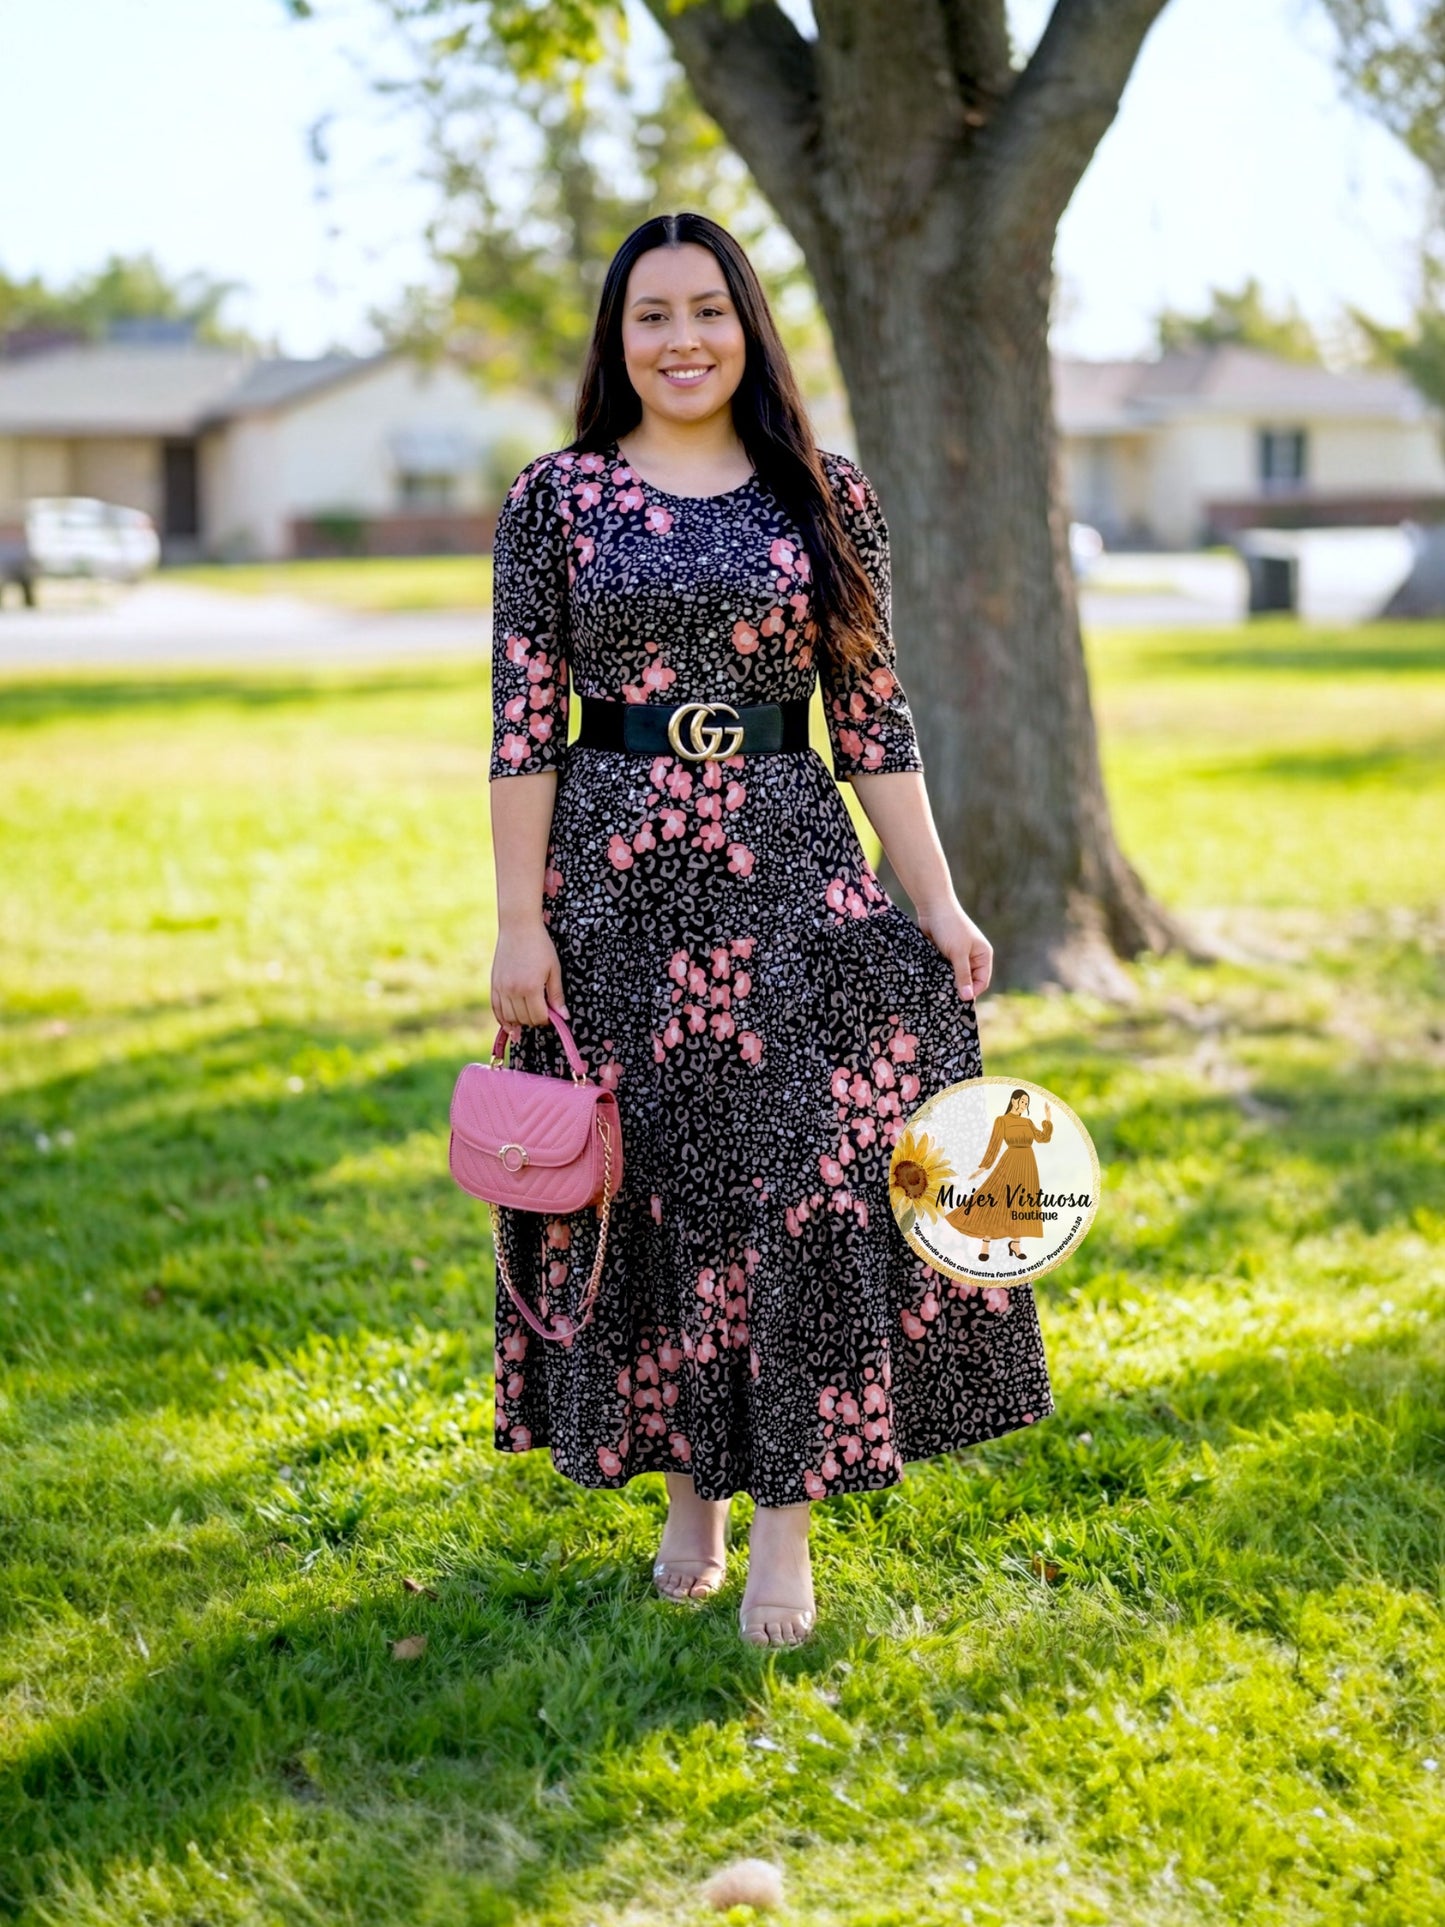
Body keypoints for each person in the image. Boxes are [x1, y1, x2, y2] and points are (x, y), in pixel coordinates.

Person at [486, 210, 1055, 1647]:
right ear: (617, 343)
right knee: (662, 1187)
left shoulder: (822, 494)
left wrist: (934, 895)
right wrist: (513, 925)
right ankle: (692, 1494)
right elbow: (517, 729)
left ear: (747, 325)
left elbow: (872, 713)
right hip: (612, 886)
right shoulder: (555, 500)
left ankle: (783, 1532)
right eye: (649, 317)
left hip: (790, 871)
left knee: (796, 1189)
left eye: (705, 311)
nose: (680, 340)